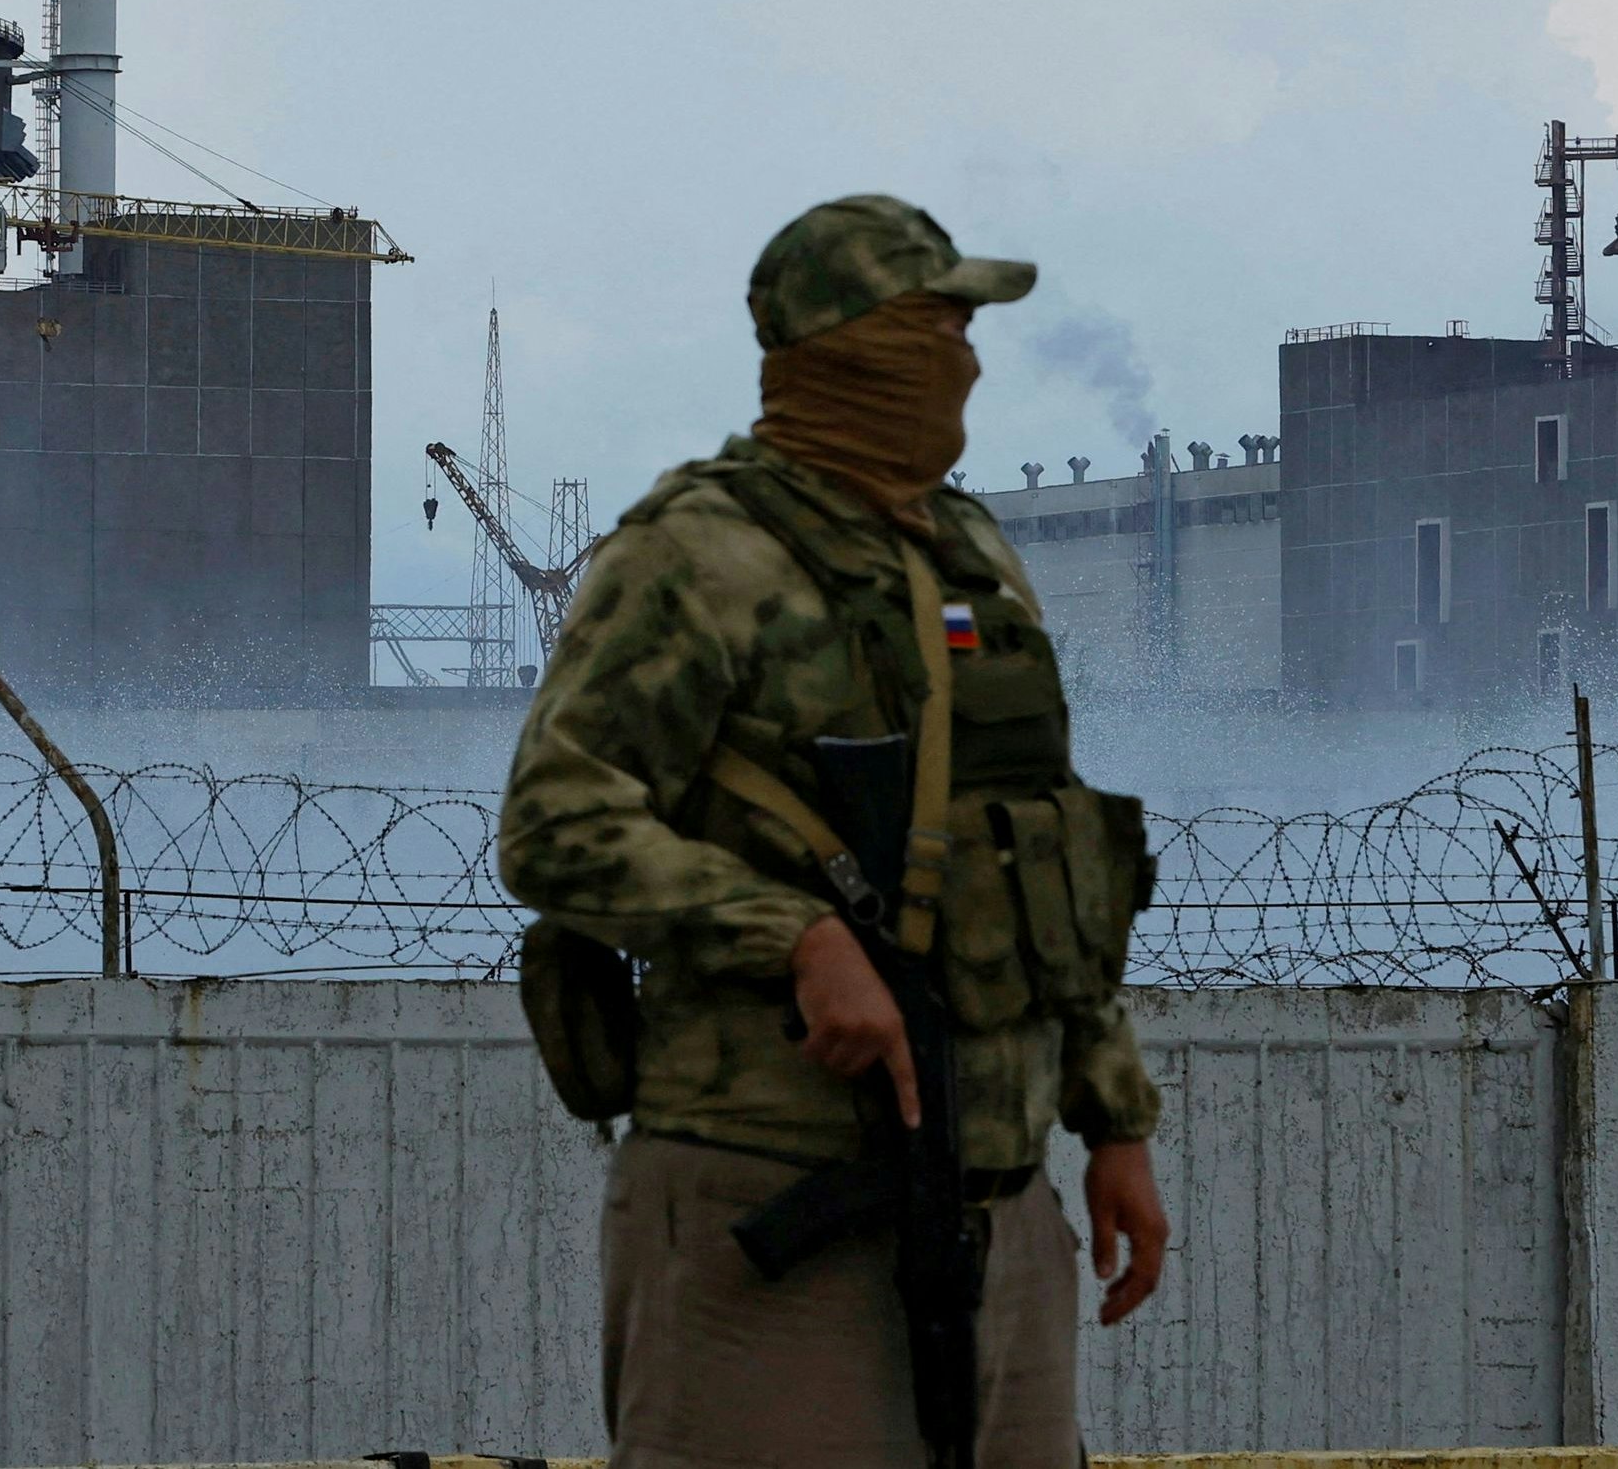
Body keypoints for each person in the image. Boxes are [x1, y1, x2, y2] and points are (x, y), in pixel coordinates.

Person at [498, 194, 1170, 1469]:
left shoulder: (970, 551)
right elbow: (555, 820)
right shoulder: (696, 553)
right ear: (852, 347)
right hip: (771, 1191)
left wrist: (1112, 1121)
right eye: (941, 324)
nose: (965, 357)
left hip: (997, 1199)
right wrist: (794, 934)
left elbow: (1045, 854)